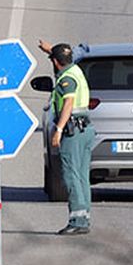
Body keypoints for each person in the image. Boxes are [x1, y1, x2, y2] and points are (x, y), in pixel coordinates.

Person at [46, 42, 94, 235]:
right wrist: (51, 50)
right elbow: (62, 57)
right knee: (81, 176)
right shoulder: (75, 69)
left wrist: (58, 130)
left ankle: (77, 220)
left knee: (70, 175)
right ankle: (84, 217)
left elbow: (68, 103)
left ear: (55, 62)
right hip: (85, 129)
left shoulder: (67, 78)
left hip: (72, 131)